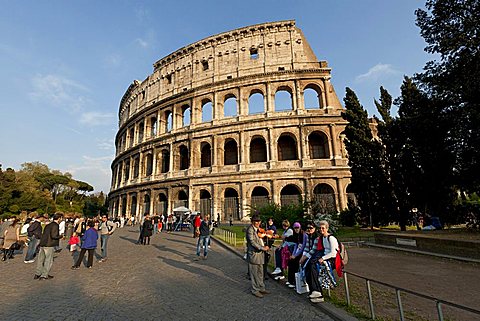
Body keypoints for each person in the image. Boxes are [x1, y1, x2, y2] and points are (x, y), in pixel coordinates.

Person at [246, 214, 270, 298]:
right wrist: (262, 248)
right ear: (252, 221)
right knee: (254, 273)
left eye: (259, 221)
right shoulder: (250, 230)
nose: (258, 222)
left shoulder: (258, 229)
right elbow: (252, 242)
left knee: (260, 272)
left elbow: (260, 238)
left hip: (260, 254)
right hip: (254, 254)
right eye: (256, 221)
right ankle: (255, 290)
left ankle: (261, 287)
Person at [34, 213, 63, 280]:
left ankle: (38, 273)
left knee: (40, 260)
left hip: (43, 243)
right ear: (59, 218)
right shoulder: (55, 225)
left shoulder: (48, 225)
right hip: (49, 244)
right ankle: (44, 275)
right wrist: (60, 236)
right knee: (48, 260)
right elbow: (54, 236)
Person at [299, 221, 322, 302]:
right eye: (307, 228)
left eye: (311, 228)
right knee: (307, 271)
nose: (309, 229)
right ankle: (312, 290)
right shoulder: (309, 236)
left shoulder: (317, 237)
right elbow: (306, 247)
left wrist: (304, 257)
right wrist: (303, 256)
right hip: (310, 256)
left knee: (311, 270)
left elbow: (313, 250)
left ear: (315, 229)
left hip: (316, 256)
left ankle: (317, 291)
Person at [285, 222, 308, 289]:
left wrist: (296, 255)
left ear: (300, 227)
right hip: (298, 251)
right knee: (290, 261)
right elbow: (296, 245)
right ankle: (290, 280)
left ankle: (295, 282)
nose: (296, 229)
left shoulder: (304, 235)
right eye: (295, 228)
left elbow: (303, 246)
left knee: (295, 263)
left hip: (303, 252)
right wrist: (293, 254)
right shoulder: (296, 235)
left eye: (297, 228)